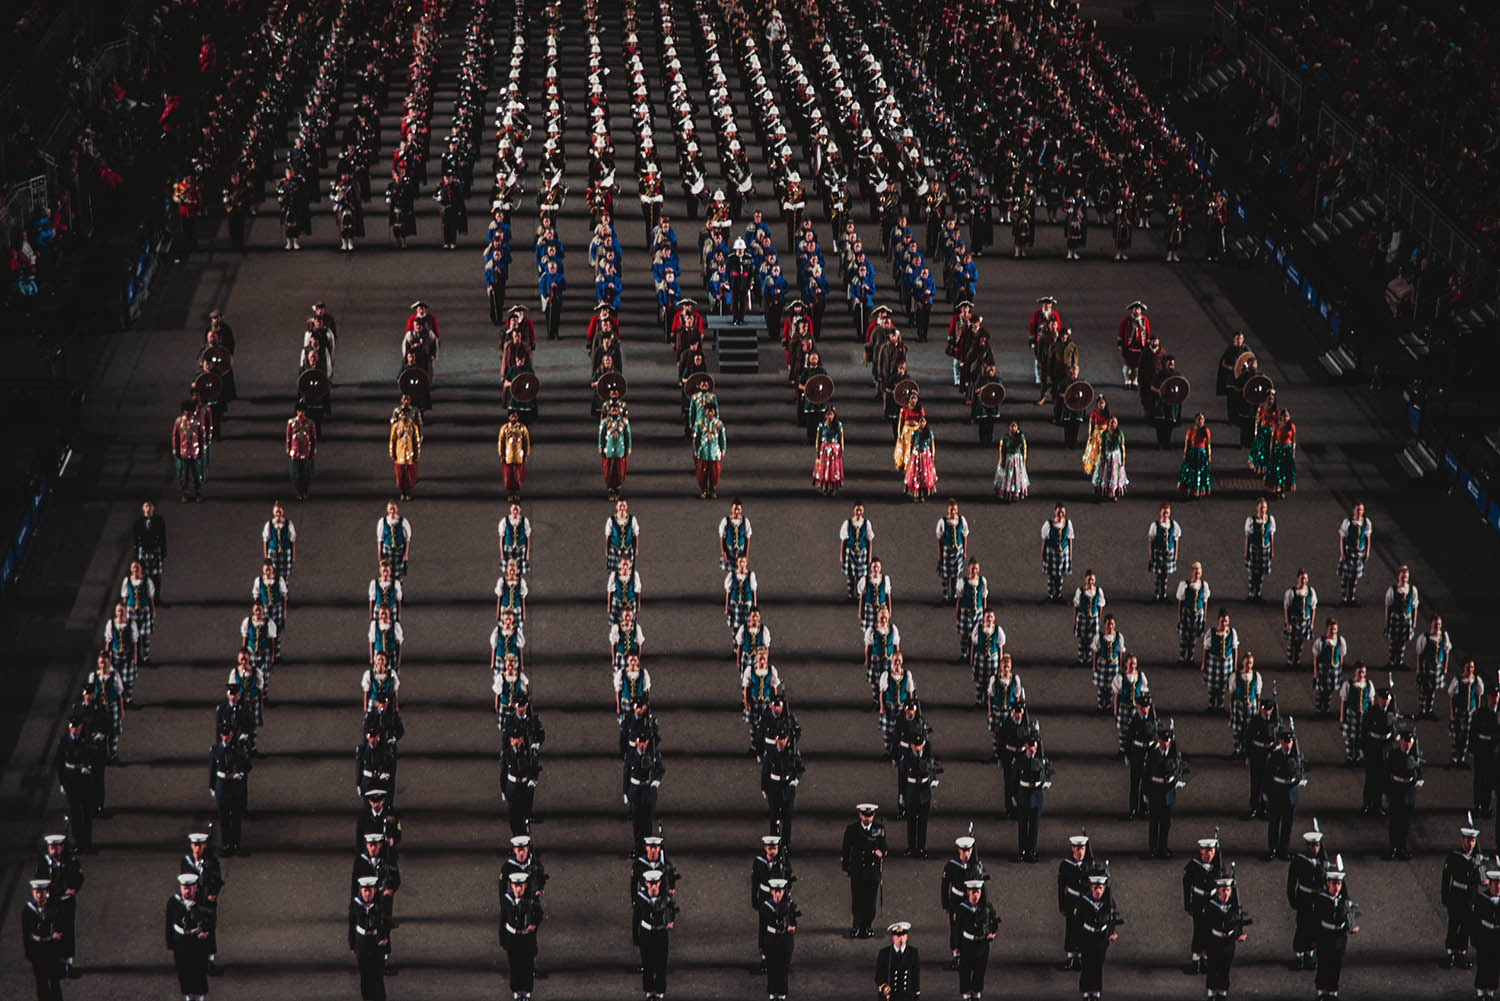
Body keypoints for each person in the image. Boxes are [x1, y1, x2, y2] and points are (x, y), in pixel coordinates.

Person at [1308, 856, 1359, 999]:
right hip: (1324, 935)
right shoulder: (1321, 899)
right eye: (1334, 883)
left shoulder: (1343, 900)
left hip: (1339, 937)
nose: (1336, 887)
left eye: (1339, 884)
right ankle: (1321, 991)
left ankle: (1332, 991)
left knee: (1336, 966)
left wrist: (1351, 926)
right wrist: (1313, 938)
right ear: (1327, 884)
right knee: (1323, 964)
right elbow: (1314, 920)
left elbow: (1349, 915)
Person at [1074, 864, 1121, 1001]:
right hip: (1087, 935)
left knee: (1097, 964)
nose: (1098, 891)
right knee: (1087, 964)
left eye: (1100, 888)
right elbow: (1077, 922)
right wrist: (1077, 941)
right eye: (1095, 888)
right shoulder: (1084, 902)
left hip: (1101, 937)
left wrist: (1112, 932)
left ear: (1104, 888)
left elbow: (1112, 918)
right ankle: (1086, 992)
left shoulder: (1109, 901)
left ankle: (1095, 991)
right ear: (1090, 887)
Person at [165, 872, 214, 1001]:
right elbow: (169, 922)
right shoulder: (174, 902)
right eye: (184, 888)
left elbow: (210, 921)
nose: (187, 891)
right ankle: (188, 996)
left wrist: (206, 933)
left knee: (199, 970)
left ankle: (199, 997)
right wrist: (170, 943)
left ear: (196, 887)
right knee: (183, 970)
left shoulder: (202, 902)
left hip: (196, 940)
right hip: (180, 940)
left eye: (190, 888)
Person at [1442, 822, 1484, 969]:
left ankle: (1461, 952)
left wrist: (1480, 868)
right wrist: (1445, 896)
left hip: (1470, 898)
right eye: (1467, 840)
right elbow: (1446, 878)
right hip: (1456, 895)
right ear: (1462, 840)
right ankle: (1450, 952)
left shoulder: (1477, 859)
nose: (1469, 843)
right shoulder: (1454, 856)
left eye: (1472, 841)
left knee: (1466, 926)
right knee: (1454, 924)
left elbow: (1483, 879)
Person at [841, 804, 887, 938]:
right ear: (860, 815)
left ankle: (867, 926)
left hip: (872, 870)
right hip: (857, 870)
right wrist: (845, 867)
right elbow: (846, 849)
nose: (867, 818)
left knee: (870, 901)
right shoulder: (852, 829)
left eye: (870, 815)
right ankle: (856, 926)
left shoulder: (878, 828)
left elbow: (884, 847)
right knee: (857, 899)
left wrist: (881, 852)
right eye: (865, 815)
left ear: (874, 816)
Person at [1202, 872, 1248, 999]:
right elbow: (1205, 927)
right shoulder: (1211, 906)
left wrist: (1239, 934)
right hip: (1214, 940)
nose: (1226, 893)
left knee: (1225, 967)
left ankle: (1222, 992)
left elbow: (1237, 923)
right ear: (1217, 891)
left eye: (1228, 890)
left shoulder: (1234, 906)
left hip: (1228, 942)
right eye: (1223, 890)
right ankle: (1212, 992)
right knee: (1212, 966)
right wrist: (1204, 945)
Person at [1264, 721, 1306, 860]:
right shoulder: (1274, 756)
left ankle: (1284, 850)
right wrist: (1265, 792)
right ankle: (1272, 849)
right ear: (1281, 742)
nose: (1288, 745)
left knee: (1287, 825)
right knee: (1274, 823)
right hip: (1277, 791)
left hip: (1291, 793)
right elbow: (1268, 775)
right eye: (1285, 742)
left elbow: (1301, 771)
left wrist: (1299, 779)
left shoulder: (1297, 755)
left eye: (1290, 742)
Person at [1144, 720, 1185, 858]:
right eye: (1163, 740)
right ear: (1159, 740)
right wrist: (1145, 793)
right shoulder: (1152, 754)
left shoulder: (1174, 753)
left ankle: (1163, 848)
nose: (1165, 743)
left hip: (1168, 793)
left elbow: (1178, 768)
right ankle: (1152, 849)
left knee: (1166, 823)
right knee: (1154, 822)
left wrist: (1176, 780)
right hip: (1155, 791)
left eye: (1167, 741)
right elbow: (1146, 775)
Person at [634, 869, 677, 1000]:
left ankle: (659, 992)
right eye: (650, 883)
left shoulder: (665, 898)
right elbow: (636, 917)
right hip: (646, 932)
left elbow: (671, 911)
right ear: (646, 884)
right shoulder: (641, 897)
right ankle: (648, 991)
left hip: (660, 932)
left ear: (659, 883)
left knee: (661, 964)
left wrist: (671, 920)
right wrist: (636, 937)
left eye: (655, 883)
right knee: (647, 964)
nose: (653, 886)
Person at [499, 871, 542, 1001]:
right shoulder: (507, 900)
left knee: (527, 965)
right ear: (511, 886)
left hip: (526, 937)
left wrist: (534, 924)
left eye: (521, 886)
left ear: (525, 886)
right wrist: (502, 940)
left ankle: (527, 992)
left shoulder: (531, 899)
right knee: (515, 965)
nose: (518, 889)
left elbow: (539, 913)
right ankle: (517, 991)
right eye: (515, 886)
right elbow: (503, 920)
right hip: (512, 937)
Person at [954, 879, 999, 1001]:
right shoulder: (962, 909)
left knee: (980, 969)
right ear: (968, 892)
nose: (975, 895)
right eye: (973, 892)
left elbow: (994, 921)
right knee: (965, 970)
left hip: (982, 944)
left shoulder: (986, 907)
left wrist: (993, 933)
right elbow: (957, 929)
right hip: (967, 943)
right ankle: (966, 993)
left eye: (978, 892)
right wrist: (956, 947)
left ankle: (976, 991)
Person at [210, 722, 251, 855]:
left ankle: (236, 844)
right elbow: (212, 770)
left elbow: (247, 765)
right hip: (221, 785)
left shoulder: (238, 750)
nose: (225, 737)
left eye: (227, 735)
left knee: (236, 817)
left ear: (232, 735)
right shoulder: (216, 750)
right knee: (224, 817)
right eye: (223, 735)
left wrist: (241, 773)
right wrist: (212, 786)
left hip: (234, 785)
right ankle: (226, 845)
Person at [760, 723, 804, 847]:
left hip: (787, 786)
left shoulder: (793, 752)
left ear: (788, 739)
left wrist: (795, 781)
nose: (780, 742)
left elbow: (800, 768)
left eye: (783, 739)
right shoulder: (771, 752)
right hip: (774, 786)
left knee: (787, 816)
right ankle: (774, 843)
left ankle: (786, 844)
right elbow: (765, 770)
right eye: (778, 739)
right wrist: (764, 787)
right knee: (774, 816)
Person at [22, 877, 64, 1001]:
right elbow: (26, 933)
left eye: (42, 892)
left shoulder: (54, 908)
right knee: (41, 982)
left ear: (47, 893)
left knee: (55, 981)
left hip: (51, 947)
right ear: (33, 893)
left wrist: (58, 935)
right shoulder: (28, 910)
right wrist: (29, 952)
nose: (39, 895)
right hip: (37, 949)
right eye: (37, 892)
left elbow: (61, 924)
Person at [1014, 729, 1052, 863]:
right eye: (1030, 746)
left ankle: (1031, 851)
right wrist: (1014, 796)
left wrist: (1044, 782)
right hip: (1023, 794)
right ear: (1026, 746)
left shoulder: (1041, 760)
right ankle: (1022, 851)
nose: (1033, 748)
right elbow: (1014, 780)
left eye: (1034, 745)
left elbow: (1047, 776)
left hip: (1036, 795)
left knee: (1034, 826)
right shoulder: (1019, 760)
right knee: (1022, 825)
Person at [898, 735, 940, 858]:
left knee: (922, 822)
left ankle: (921, 848)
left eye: (920, 744)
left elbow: (932, 770)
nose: (917, 747)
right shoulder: (906, 758)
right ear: (911, 745)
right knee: (911, 821)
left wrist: (933, 780)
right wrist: (901, 794)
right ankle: (911, 847)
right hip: (911, 791)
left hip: (924, 791)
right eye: (915, 745)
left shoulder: (927, 756)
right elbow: (902, 777)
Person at [349, 875, 391, 1001]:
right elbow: (351, 925)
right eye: (365, 890)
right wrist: (352, 944)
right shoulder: (356, 905)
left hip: (376, 943)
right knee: (365, 976)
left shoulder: (380, 905)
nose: (367, 894)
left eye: (370, 890)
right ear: (361, 891)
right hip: (362, 942)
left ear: (374, 890)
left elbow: (385, 925)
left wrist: (385, 944)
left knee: (378, 976)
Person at [624, 731, 666, 847]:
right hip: (635, 790)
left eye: (644, 742)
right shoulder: (631, 754)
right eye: (640, 742)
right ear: (636, 742)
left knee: (647, 822)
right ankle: (638, 849)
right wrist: (625, 792)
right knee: (637, 822)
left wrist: (655, 783)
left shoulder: (653, 753)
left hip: (648, 790)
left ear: (647, 742)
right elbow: (626, 773)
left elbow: (661, 769)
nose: (642, 745)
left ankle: (645, 850)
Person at [760, 876, 798, 1001]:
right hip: (771, 939)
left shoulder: (789, 905)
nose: (777, 894)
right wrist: (761, 944)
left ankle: (782, 992)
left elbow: (793, 922)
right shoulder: (766, 906)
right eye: (775, 891)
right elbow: (762, 926)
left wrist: (792, 926)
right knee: (772, 967)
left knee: (783, 967)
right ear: (771, 891)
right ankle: (772, 991)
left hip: (784, 940)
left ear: (783, 892)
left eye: (780, 891)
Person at [1336, 503, 1374, 606]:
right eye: (1358, 510)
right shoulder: (1347, 522)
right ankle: (1344, 598)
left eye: (1361, 510)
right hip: (1349, 551)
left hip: (1359, 552)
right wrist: (1342, 553)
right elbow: (1342, 538)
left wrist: (1367, 551)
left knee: (1354, 576)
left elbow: (1367, 538)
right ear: (1354, 510)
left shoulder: (1366, 522)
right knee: (1345, 576)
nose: (1359, 512)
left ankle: (1351, 598)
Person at [1200, 610, 1238, 711]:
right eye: (1222, 621)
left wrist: (1234, 665)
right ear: (1218, 621)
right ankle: (1211, 705)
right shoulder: (1211, 633)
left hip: (1226, 663)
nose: (1224, 624)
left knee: (1222, 685)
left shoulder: (1232, 633)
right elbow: (1206, 649)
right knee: (1212, 686)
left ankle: (1220, 706)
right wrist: (1204, 663)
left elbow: (1234, 649)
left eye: (1226, 621)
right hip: (1214, 662)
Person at [1450, 660, 1485, 768]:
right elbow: (1452, 696)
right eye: (1468, 667)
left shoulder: (1476, 681)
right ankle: (1455, 758)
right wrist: (1451, 712)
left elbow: (1478, 696)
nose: (1470, 669)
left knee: (1466, 735)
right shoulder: (1458, 680)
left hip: (1470, 711)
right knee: (1457, 734)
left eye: (1472, 667)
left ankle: (1462, 758)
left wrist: (1477, 711)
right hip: (1459, 711)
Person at [131, 500, 168, 602]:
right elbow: (135, 540)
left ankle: (157, 598)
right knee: (145, 575)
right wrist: (135, 556)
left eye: (150, 506)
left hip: (155, 549)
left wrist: (164, 552)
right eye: (146, 506)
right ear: (143, 508)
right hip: (143, 550)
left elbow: (163, 537)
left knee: (156, 576)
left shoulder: (159, 520)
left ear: (153, 508)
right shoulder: (138, 522)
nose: (148, 508)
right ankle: (146, 598)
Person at [1473, 864, 1500, 999]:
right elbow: (1475, 920)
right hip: (1485, 934)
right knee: (1483, 963)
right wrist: (1474, 938)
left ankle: (1490, 990)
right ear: (1490, 885)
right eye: (1495, 884)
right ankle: (1481, 990)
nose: (1498, 887)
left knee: (1495, 964)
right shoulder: (1482, 898)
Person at [1176, 562, 1212, 666]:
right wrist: (1179, 617)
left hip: (1198, 614)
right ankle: (1182, 657)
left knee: (1193, 637)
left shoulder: (1204, 586)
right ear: (1192, 572)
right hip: (1187, 613)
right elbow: (1180, 601)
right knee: (1184, 636)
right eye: (1195, 572)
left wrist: (1204, 617)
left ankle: (1190, 657)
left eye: (1199, 573)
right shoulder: (1185, 585)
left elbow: (1205, 602)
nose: (1197, 575)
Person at [1229, 652, 1262, 758]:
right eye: (1247, 663)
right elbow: (1231, 695)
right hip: (1238, 706)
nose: (1249, 666)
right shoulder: (1235, 676)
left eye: (1251, 663)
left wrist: (1258, 710)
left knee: (1249, 730)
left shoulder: (1256, 676)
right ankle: (1238, 750)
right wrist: (1231, 710)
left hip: (1251, 706)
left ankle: (1248, 750)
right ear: (1243, 662)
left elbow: (1258, 695)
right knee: (1238, 730)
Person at [935, 500, 969, 604]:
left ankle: (954, 596)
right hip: (947, 551)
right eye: (951, 509)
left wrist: (964, 551)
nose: (953, 512)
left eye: (954, 509)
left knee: (955, 575)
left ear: (957, 510)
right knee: (945, 576)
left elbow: (964, 536)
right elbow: (939, 539)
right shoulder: (943, 522)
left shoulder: (961, 520)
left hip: (957, 551)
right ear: (948, 510)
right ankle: (945, 596)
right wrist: (940, 555)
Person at [875, 922, 920, 1001]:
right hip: (890, 995)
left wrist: (916, 994)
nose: (901, 939)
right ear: (893, 937)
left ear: (907, 937)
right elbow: (879, 975)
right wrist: (884, 987)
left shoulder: (913, 952)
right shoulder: (884, 953)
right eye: (898, 936)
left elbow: (915, 975)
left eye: (903, 935)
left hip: (907, 996)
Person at [1311, 618, 1347, 715]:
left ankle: (1326, 708)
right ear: (1327, 629)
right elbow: (1316, 657)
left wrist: (1340, 668)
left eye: (1335, 629)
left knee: (1329, 690)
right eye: (1331, 629)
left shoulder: (1340, 641)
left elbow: (1341, 656)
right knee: (1320, 690)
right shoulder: (1321, 642)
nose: (1333, 631)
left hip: (1334, 669)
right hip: (1323, 669)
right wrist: (1315, 672)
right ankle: (1319, 708)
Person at [839, 504, 874, 601]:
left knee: (861, 576)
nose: (859, 513)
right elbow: (843, 540)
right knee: (850, 575)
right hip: (850, 553)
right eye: (857, 510)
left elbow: (869, 541)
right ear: (853, 511)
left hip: (862, 553)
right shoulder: (848, 523)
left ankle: (859, 595)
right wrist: (841, 555)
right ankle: (850, 595)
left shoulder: (866, 524)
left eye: (861, 510)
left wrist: (869, 557)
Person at [171, 400, 205, 502]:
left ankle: (198, 492)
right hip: (184, 453)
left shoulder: (197, 422)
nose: (188, 413)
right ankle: (185, 493)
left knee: (196, 474)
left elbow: (201, 436)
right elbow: (175, 437)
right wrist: (175, 450)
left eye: (190, 411)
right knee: (184, 475)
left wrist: (202, 449)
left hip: (194, 452)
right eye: (186, 411)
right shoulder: (179, 422)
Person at [1040, 504, 1074, 602]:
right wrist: (1042, 553)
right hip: (1051, 552)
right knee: (1051, 575)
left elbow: (1070, 540)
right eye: (1058, 512)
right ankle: (1050, 595)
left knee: (1060, 575)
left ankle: (1058, 595)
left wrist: (1070, 554)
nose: (1060, 514)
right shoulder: (1048, 524)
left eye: (1062, 512)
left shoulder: (1068, 523)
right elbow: (1044, 540)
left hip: (1063, 553)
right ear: (1055, 512)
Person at [388, 407, 422, 501]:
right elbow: (392, 441)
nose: (404, 416)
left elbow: (416, 441)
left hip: (409, 455)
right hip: (399, 455)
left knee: (409, 476)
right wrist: (392, 453)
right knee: (400, 475)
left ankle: (408, 492)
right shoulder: (396, 426)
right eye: (402, 415)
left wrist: (417, 454)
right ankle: (402, 492)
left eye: (406, 415)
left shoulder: (413, 426)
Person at [285, 403, 317, 500]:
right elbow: (288, 437)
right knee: (295, 474)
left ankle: (305, 491)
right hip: (295, 452)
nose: (300, 413)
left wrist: (313, 449)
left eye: (302, 411)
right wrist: (288, 448)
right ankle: (299, 491)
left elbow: (313, 437)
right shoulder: (291, 422)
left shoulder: (310, 423)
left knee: (307, 474)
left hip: (306, 452)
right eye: (299, 411)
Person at [497, 410, 531, 502]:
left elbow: (526, 442)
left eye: (515, 416)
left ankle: (516, 493)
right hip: (508, 456)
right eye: (511, 416)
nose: (513, 418)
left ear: (518, 417)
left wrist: (526, 453)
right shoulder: (504, 428)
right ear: (509, 417)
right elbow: (501, 441)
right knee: (508, 476)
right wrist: (501, 454)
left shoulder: (522, 428)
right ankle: (510, 493)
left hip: (519, 456)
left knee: (518, 476)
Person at [1091, 417, 1128, 500]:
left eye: (1115, 422)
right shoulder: (1104, 433)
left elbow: (1122, 447)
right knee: (1105, 474)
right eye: (1111, 422)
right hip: (1107, 455)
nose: (1113, 424)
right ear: (1108, 423)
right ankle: (1104, 492)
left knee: (1114, 475)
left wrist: (1123, 458)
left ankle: (1113, 493)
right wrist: (1102, 456)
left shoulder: (1120, 434)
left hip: (1116, 456)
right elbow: (1102, 446)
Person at [903, 417, 937, 502]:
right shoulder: (915, 433)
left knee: (924, 476)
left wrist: (932, 456)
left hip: (925, 456)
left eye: (924, 421)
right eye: (921, 421)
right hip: (916, 455)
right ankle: (916, 494)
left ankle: (923, 494)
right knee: (916, 475)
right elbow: (911, 443)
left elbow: (932, 445)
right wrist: (911, 455)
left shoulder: (929, 433)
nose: (922, 423)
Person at [1178, 413, 1212, 497]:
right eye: (1199, 419)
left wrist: (1209, 455)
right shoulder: (1191, 430)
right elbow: (1187, 443)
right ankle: (1189, 488)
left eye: (1202, 419)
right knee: (1191, 471)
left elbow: (1208, 444)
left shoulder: (1206, 431)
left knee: (1200, 471)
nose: (1201, 421)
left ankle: (1200, 489)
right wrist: (1185, 453)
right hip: (1193, 453)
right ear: (1195, 421)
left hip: (1201, 453)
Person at [1265, 409, 1297, 497]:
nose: (1285, 418)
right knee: (1278, 470)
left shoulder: (1292, 427)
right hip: (1278, 449)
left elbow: (1293, 440)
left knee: (1286, 470)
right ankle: (1277, 487)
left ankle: (1283, 489)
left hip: (1287, 450)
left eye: (1287, 416)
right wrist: (1271, 450)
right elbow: (1273, 439)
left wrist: (1293, 451)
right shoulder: (1277, 426)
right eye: (1284, 416)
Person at [377, 502, 412, 583]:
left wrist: (405, 554)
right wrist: (379, 553)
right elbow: (380, 539)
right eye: (390, 509)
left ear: (397, 509)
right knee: (386, 572)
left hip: (399, 550)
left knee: (398, 574)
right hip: (387, 550)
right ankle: (388, 591)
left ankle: (398, 592)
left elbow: (407, 539)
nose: (392, 511)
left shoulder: (403, 522)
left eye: (394, 509)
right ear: (387, 510)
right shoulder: (383, 521)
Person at [994, 422, 1029, 500]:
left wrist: (1024, 459)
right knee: (1007, 475)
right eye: (1012, 426)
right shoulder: (1005, 437)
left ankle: (1017, 492)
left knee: (1017, 475)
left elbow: (1024, 447)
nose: (1013, 428)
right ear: (1009, 427)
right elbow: (1001, 448)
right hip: (1008, 458)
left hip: (1017, 458)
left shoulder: (1020, 436)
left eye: (1015, 426)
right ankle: (1006, 491)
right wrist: (1002, 459)